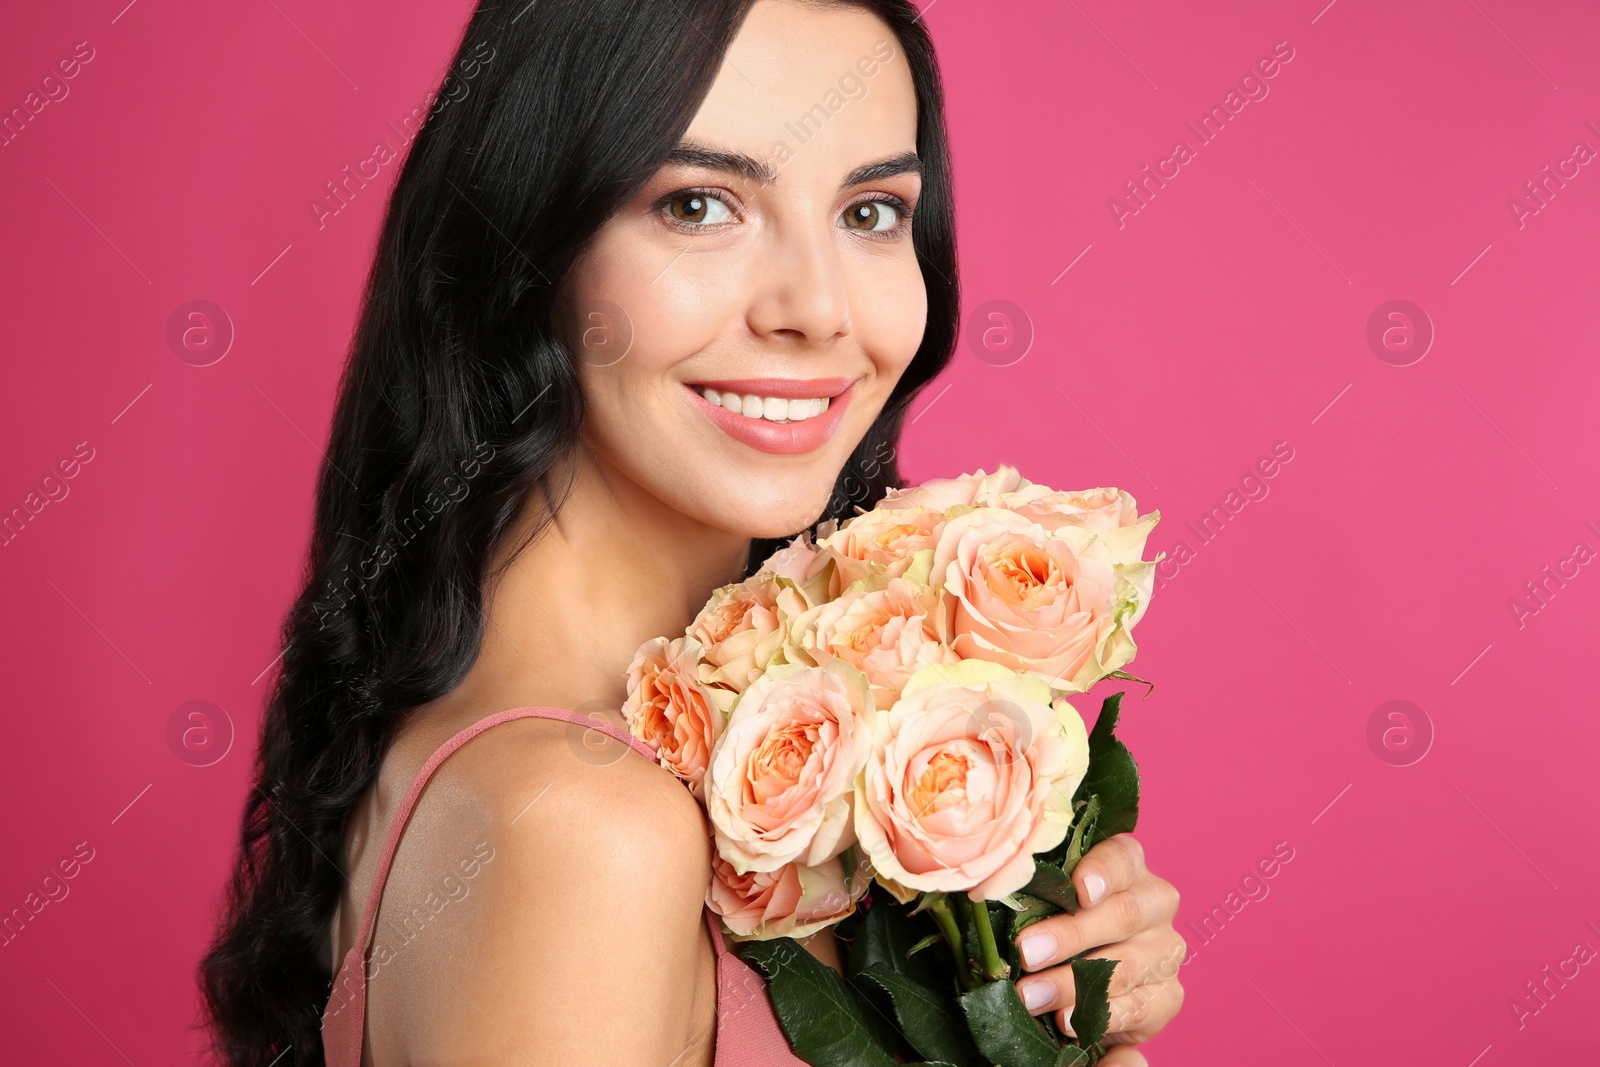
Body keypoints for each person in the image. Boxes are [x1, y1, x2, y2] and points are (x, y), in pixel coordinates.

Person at [199, 1, 1185, 1063]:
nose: (816, 306)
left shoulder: (636, 769)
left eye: (869, 213)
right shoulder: (578, 825)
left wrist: (1035, 977)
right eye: (700, 203)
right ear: (530, 241)